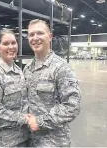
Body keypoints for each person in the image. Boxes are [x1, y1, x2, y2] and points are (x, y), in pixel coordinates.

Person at [23, 19, 81, 147]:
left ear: (50, 37)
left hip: (54, 142)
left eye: (40, 33)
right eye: (31, 34)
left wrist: (40, 121)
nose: (35, 38)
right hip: (31, 140)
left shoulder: (61, 68)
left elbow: (72, 106)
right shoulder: (27, 69)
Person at [0, 29, 29, 147]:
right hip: (2, 142)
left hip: (22, 138)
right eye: (6, 44)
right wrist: (24, 118)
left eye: (13, 43)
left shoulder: (18, 70)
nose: (11, 47)